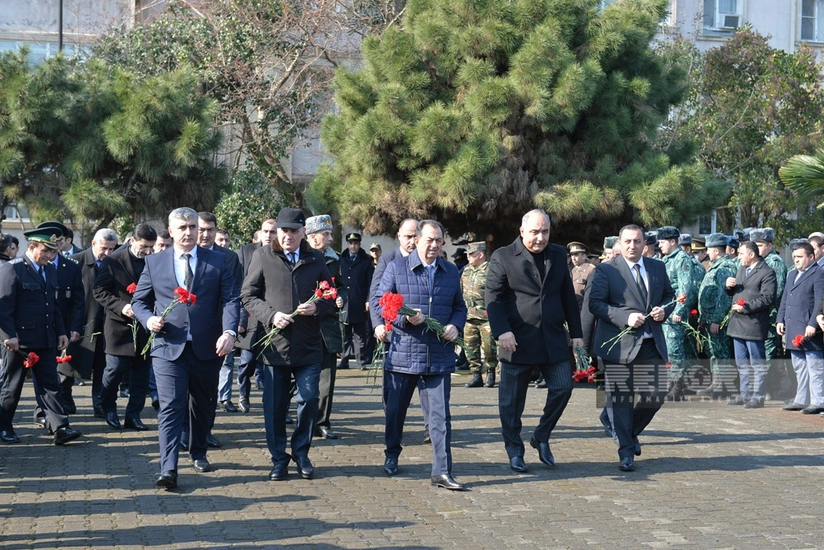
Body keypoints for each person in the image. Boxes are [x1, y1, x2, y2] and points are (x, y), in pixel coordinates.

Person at [132, 207, 240, 490]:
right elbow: (139, 301)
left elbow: (231, 299)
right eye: (182, 227)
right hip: (168, 346)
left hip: (208, 347)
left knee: (203, 405)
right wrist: (148, 319)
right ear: (171, 231)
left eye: (193, 226)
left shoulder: (218, 261)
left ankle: (198, 450)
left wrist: (229, 332)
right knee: (170, 406)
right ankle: (168, 468)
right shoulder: (154, 262)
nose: (189, 232)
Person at [485, 209, 582, 472]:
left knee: (563, 387)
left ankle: (541, 435)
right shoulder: (504, 256)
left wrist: (577, 333)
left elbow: (567, 296)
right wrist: (502, 331)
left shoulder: (558, 254)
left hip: (552, 338)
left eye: (545, 232)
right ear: (522, 231)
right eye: (535, 232)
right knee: (511, 403)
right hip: (516, 339)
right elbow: (493, 298)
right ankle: (515, 450)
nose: (540, 238)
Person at [241, 207, 333, 481]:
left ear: (304, 232)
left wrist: (316, 307)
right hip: (275, 347)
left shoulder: (315, 258)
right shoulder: (262, 256)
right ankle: (279, 459)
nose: (288, 236)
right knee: (275, 407)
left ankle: (301, 453)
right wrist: (271, 315)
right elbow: (248, 295)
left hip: (308, 345)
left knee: (310, 398)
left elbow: (330, 295)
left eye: (294, 231)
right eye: (283, 231)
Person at [375, 219, 467, 490]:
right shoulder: (397, 268)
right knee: (396, 412)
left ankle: (442, 471)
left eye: (439, 240)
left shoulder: (450, 271)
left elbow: (459, 307)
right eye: (430, 240)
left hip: (438, 355)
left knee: (440, 418)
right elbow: (381, 304)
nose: (434, 245)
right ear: (416, 241)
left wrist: (455, 325)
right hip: (404, 354)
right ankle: (392, 454)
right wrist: (404, 320)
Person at [589, 224, 675, 471]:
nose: (632, 246)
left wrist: (664, 310)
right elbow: (596, 303)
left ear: (645, 243)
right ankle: (626, 452)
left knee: (657, 393)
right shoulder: (607, 269)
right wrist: (624, 317)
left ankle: (628, 431)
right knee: (621, 400)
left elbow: (669, 296)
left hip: (650, 342)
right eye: (627, 241)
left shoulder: (657, 267)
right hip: (619, 344)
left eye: (637, 241)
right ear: (620, 243)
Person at [0, 226, 82, 445]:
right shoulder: (12, 269)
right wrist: (8, 335)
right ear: (31, 247)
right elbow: (3, 308)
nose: (49, 255)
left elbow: (54, 306)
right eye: (45, 251)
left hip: (45, 338)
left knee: (50, 384)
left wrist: (61, 332)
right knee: (12, 386)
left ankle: (60, 427)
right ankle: (4, 426)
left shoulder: (50, 270)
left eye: (53, 251)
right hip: (19, 342)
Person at [369, 219, 432, 444]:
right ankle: (393, 426)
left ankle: (430, 427)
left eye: (415, 236)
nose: (412, 241)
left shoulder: (430, 260)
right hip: (395, 335)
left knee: (427, 385)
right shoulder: (388, 260)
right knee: (393, 388)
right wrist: (378, 325)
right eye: (407, 236)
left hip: (425, 337)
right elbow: (376, 296)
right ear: (399, 236)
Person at [93, 223, 156, 431]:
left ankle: (133, 415)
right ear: (132, 241)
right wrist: (122, 307)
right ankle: (109, 408)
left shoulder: (155, 261)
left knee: (141, 375)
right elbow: (99, 291)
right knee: (114, 370)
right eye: (144, 247)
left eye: (151, 247)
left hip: (145, 325)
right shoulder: (113, 260)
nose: (148, 251)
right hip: (118, 325)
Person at [305, 215, 346, 440]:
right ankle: (298, 418)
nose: (331, 238)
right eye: (326, 234)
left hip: (327, 327)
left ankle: (321, 422)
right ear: (312, 237)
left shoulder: (333, 259)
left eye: (330, 234)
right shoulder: (299, 257)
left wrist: (341, 297)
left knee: (326, 379)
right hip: (302, 326)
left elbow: (341, 286)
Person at [71, 228, 119, 418]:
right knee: (68, 364)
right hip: (79, 322)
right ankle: (65, 399)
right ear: (93, 243)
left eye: (111, 249)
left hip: (106, 322)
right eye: (104, 248)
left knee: (102, 365)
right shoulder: (75, 261)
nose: (107, 253)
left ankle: (99, 403)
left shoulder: (115, 263)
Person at [724, 241, 777, 409]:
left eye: (741, 253)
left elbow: (768, 298)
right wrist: (728, 287)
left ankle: (758, 396)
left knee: (757, 363)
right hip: (737, 323)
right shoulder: (742, 269)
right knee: (742, 363)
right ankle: (744, 393)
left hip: (753, 323)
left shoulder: (767, 272)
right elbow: (736, 292)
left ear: (751, 254)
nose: (738, 257)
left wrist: (746, 307)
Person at [234, 218, 277, 408]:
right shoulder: (246, 251)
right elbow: (241, 287)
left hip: (273, 315)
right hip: (250, 315)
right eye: (265, 231)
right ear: (260, 232)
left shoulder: (281, 253)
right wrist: (240, 319)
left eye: (272, 232)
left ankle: (272, 402)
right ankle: (243, 394)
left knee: (272, 364)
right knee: (247, 361)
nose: (268, 235)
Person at [778, 241, 824, 414]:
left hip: (809, 329)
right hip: (793, 326)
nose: (796, 260)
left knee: (815, 367)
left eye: (799, 257)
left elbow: (820, 301)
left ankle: (818, 401)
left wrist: (813, 324)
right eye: (794, 257)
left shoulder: (818, 273)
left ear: (811, 257)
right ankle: (801, 399)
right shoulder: (792, 274)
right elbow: (785, 299)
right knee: (799, 367)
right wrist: (780, 319)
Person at [657, 226, 702, 401]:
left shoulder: (681, 259)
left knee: (674, 350)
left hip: (674, 312)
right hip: (666, 310)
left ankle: (676, 387)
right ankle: (676, 384)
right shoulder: (667, 259)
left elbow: (685, 288)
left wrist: (679, 310)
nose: (660, 245)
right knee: (672, 349)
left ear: (673, 242)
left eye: (662, 242)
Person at [695, 234, 738, 398]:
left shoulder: (725, 267)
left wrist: (717, 320)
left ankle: (725, 386)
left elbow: (724, 296)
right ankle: (717, 383)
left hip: (716, 319)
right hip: (708, 317)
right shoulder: (716, 266)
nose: (707, 252)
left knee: (722, 354)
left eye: (709, 249)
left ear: (716, 251)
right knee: (713, 353)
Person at [461, 241, 498, 388]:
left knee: (489, 348)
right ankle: (476, 375)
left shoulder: (491, 270)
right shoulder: (466, 270)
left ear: (481, 254)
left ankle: (490, 373)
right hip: (469, 316)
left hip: (486, 316)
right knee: (470, 347)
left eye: (471, 254)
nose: (468, 257)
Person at [339, 232, 375, 370]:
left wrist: (368, 300)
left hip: (359, 300)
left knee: (360, 334)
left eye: (355, 243)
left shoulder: (366, 260)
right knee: (345, 334)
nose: (353, 246)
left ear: (360, 244)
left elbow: (370, 282)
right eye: (350, 243)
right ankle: (344, 360)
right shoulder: (341, 258)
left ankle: (362, 361)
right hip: (344, 302)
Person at [568, 241, 595, 310]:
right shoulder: (573, 270)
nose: (573, 258)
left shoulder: (591, 270)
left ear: (584, 256)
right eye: (572, 255)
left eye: (576, 255)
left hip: (583, 309)